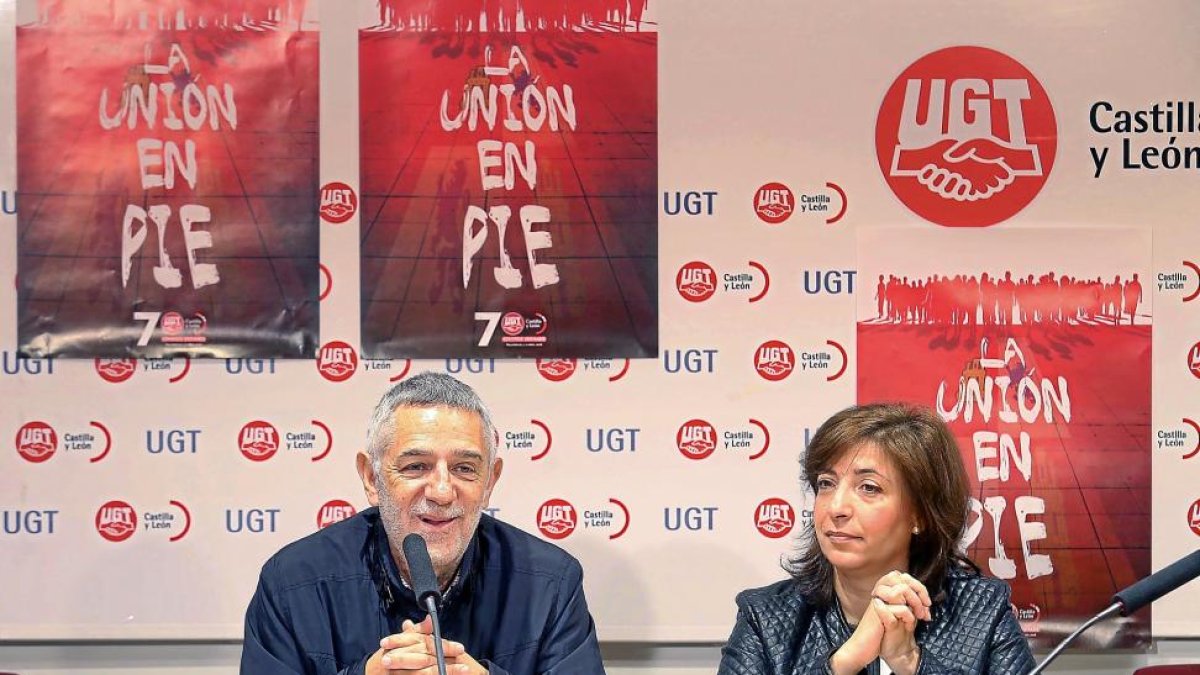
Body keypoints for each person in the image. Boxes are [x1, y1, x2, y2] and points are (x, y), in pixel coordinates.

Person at [241, 372, 604, 675]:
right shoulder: (291, 583)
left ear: (490, 481)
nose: (443, 492)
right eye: (416, 467)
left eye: (465, 468)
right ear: (371, 478)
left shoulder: (553, 583)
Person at [718, 403, 1035, 675]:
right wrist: (843, 663)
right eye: (826, 483)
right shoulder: (766, 616)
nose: (837, 507)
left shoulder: (981, 611)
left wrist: (911, 663)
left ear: (919, 515)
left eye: (868, 487)